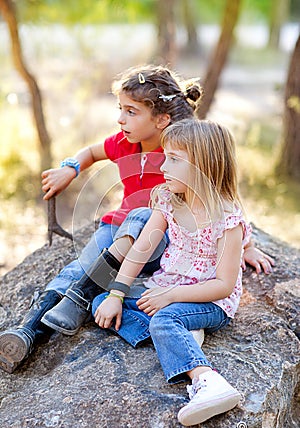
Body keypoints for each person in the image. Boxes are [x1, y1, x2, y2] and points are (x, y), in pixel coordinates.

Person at [0, 65, 273, 374]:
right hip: (119, 230)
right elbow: (90, 152)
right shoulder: (124, 144)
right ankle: (28, 331)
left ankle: (127, 314)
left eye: (131, 112)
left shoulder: (183, 152)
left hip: (154, 242)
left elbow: (220, 195)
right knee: (79, 267)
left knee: (141, 216)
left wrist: (246, 245)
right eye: (121, 109)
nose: (120, 119)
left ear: (161, 119)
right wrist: (70, 168)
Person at [92, 118, 252, 426]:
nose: (163, 166)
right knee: (100, 303)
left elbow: (223, 285)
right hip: (166, 287)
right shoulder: (167, 200)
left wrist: (172, 296)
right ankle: (179, 338)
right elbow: (140, 249)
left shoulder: (226, 221)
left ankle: (207, 380)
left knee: (166, 317)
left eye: (174, 160)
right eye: (165, 156)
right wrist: (116, 293)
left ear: (206, 165)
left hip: (208, 301)